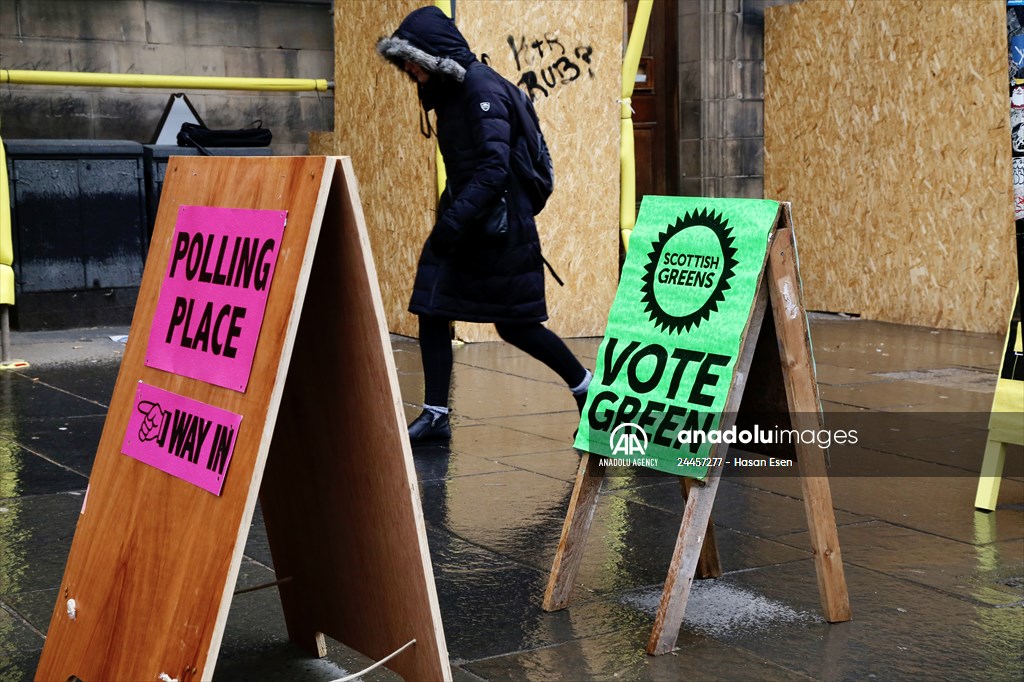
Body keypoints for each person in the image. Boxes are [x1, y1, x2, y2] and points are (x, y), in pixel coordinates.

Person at [377, 6, 591, 444]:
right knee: (432, 306)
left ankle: (588, 388)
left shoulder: (478, 87)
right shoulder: (452, 91)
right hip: (474, 220)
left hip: (500, 228)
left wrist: (451, 223)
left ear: (433, 55)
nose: (410, 71)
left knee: (516, 324)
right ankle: (436, 413)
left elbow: (494, 168)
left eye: (413, 60)